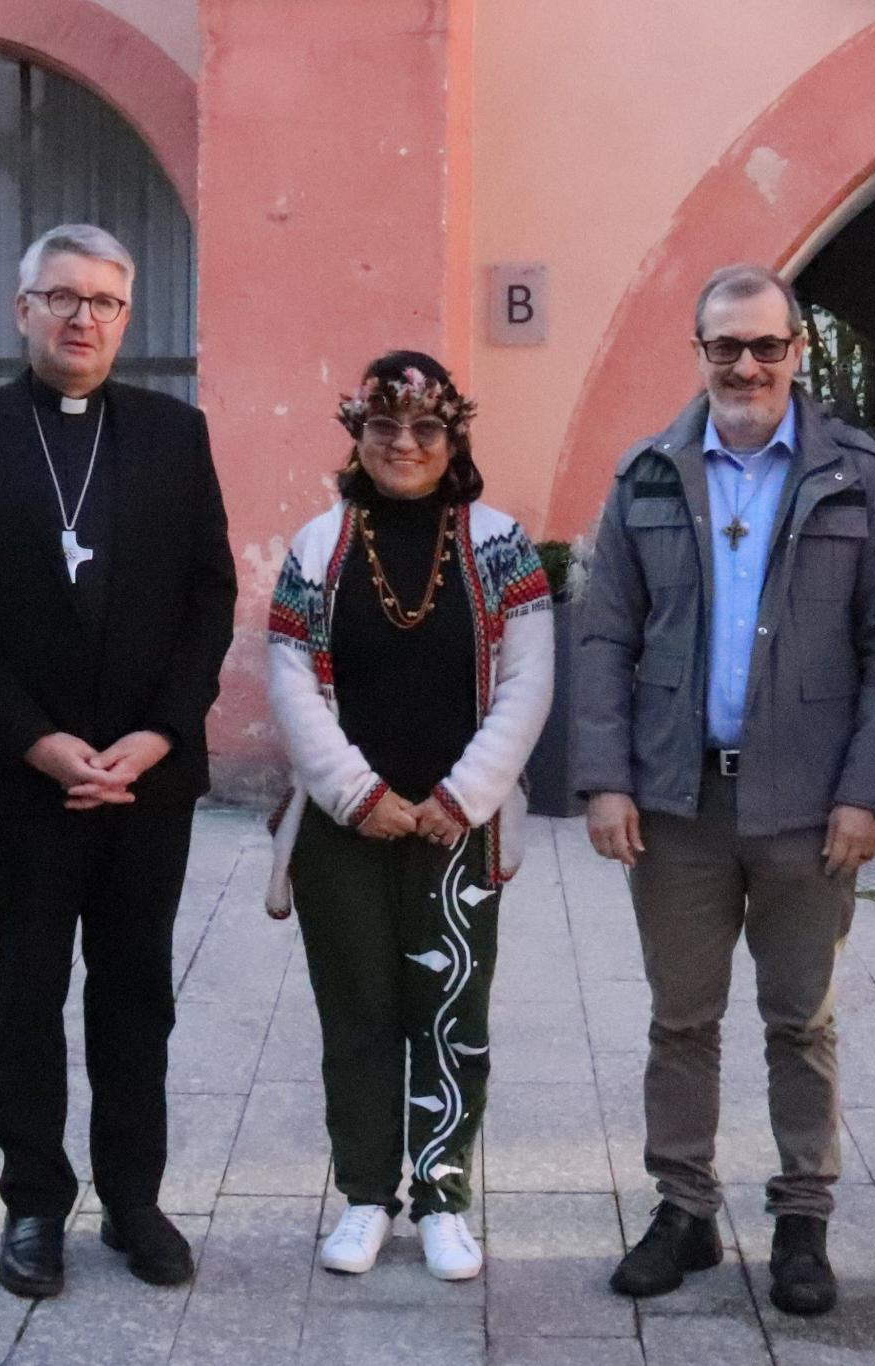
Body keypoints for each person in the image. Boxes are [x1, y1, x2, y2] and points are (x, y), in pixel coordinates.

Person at [574, 264, 875, 1316]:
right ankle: (681, 1209)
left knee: (798, 1020)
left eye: (765, 345)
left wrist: (866, 791)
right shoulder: (645, 473)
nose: (745, 365)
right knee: (680, 1018)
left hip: (807, 805)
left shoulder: (857, 476)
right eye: (723, 346)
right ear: (699, 352)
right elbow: (601, 635)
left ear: (795, 353)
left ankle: (801, 1219)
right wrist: (601, 778)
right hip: (676, 803)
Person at [0, 223, 236, 1298]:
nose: (82, 317)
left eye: (103, 302)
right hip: (19, 778)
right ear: (22, 310)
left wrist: (159, 732)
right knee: (27, 992)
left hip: (147, 779)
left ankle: (133, 1201)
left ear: (125, 317)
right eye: (61, 298)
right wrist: (38, 743)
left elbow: (209, 596)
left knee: (136, 992)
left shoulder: (172, 434)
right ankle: (33, 1206)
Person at [265, 351, 553, 1282]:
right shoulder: (317, 547)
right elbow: (291, 682)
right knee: (356, 1014)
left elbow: (528, 685)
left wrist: (459, 799)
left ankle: (442, 1198)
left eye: (425, 429)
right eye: (384, 427)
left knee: (452, 1014)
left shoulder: (503, 545)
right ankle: (362, 1196)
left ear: (453, 438)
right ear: (358, 434)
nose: (404, 444)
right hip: (344, 831)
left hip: (458, 830)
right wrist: (361, 796)